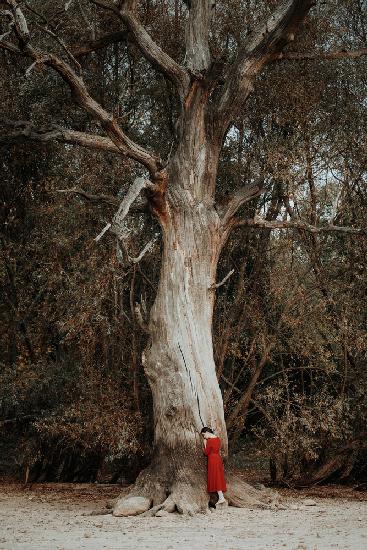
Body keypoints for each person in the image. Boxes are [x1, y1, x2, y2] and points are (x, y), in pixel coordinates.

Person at [200, 426, 227, 504]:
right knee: (218, 476)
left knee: (215, 477)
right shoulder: (217, 439)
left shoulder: (210, 441)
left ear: (208, 433)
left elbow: (206, 453)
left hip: (212, 459)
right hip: (217, 458)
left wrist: (205, 444)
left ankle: (221, 497)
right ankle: (221, 496)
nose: (204, 437)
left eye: (204, 435)